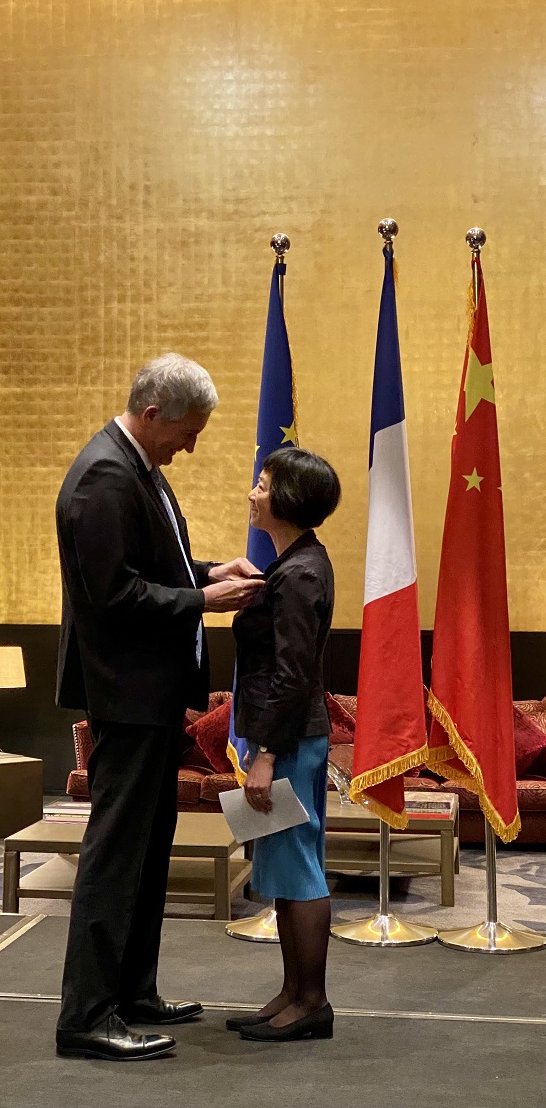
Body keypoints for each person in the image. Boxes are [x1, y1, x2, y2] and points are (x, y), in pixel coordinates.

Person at [54, 353, 262, 1061]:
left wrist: (209, 571)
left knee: (145, 854)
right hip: (126, 695)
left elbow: (154, 567)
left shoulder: (137, 467)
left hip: (151, 695)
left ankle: (133, 991)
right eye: (188, 431)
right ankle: (87, 1015)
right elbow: (114, 597)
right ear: (152, 414)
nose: (191, 445)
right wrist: (204, 599)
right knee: (115, 856)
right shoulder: (104, 478)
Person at [226, 446, 341, 1044]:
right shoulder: (292, 565)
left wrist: (266, 754)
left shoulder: (299, 574)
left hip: (289, 739)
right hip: (282, 734)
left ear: (288, 499)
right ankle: (292, 993)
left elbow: (293, 675)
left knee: (299, 868)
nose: (253, 492)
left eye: (264, 484)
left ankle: (312, 1002)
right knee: (284, 866)